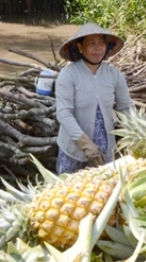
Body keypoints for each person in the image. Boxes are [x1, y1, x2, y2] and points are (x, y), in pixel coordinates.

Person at [55, 23, 134, 174]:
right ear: (80, 47)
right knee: (69, 191)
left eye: (101, 43)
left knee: (102, 193)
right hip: (74, 149)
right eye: (91, 43)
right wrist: (86, 145)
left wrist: (139, 130)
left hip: (104, 151)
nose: (98, 48)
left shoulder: (114, 74)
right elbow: (64, 114)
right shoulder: (68, 74)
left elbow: (126, 107)